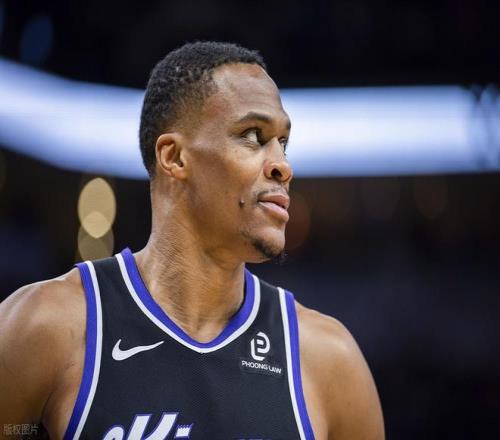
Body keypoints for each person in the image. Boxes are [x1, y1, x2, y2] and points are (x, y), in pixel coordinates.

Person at [0, 42, 384, 439]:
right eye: (253, 135)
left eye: (282, 143)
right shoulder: (48, 326)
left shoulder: (327, 360)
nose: (283, 166)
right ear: (174, 157)